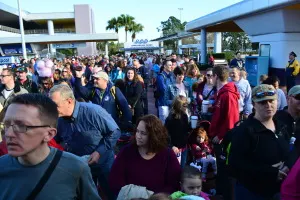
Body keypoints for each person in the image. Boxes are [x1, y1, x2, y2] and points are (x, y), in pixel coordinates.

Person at [0, 93, 100, 200]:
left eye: (21, 126)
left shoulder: (76, 169)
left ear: (49, 134)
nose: (8, 134)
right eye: (6, 125)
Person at [49, 85, 120, 200]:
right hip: (80, 168)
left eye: (55, 105)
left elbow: (114, 132)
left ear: (69, 101)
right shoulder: (58, 119)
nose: (51, 109)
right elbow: (56, 141)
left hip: (104, 166)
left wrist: (99, 152)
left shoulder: (93, 111)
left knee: (112, 195)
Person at [229, 84, 291, 200]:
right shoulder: (245, 131)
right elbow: (235, 165)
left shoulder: (281, 126)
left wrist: (287, 166)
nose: (268, 105)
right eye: (263, 103)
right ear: (254, 104)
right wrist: (271, 172)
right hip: (253, 192)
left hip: (278, 190)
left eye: (271, 101)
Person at [109, 115, 181, 196]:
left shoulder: (168, 155)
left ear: (154, 135)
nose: (138, 136)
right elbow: (115, 180)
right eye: (137, 131)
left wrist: (155, 197)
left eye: (143, 133)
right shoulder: (126, 152)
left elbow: (173, 184)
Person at [209, 65, 239, 199]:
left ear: (216, 76)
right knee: (220, 167)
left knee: (224, 168)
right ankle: (220, 191)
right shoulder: (223, 93)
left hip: (223, 139)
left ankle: (224, 195)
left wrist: (220, 135)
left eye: (211, 76)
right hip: (220, 136)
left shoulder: (227, 94)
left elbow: (231, 118)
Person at [165, 95, 190, 168]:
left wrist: (192, 126)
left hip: (183, 147)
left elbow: (185, 130)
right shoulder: (170, 118)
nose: (186, 107)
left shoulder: (184, 116)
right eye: (185, 105)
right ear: (179, 106)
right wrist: (171, 146)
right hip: (174, 148)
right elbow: (165, 133)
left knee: (182, 167)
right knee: (173, 168)